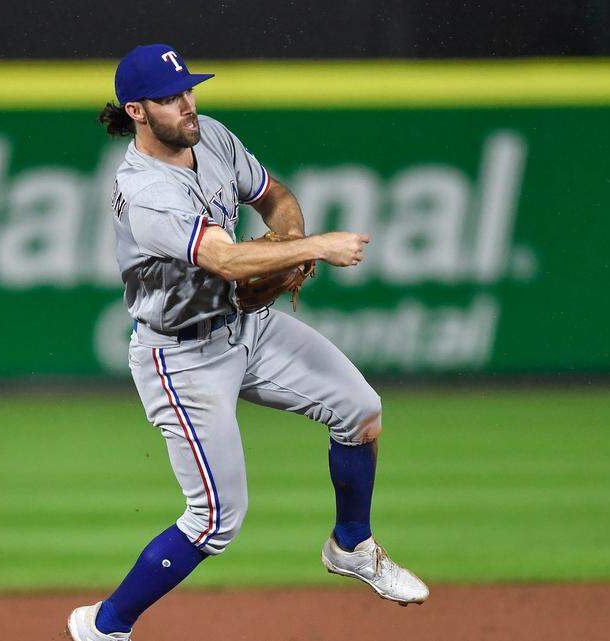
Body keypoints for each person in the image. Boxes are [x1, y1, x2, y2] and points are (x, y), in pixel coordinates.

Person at [66, 44, 428, 641]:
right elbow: (227, 259)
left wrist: (288, 239)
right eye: (169, 97)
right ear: (135, 111)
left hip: (244, 327)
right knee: (214, 520)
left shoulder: (208, 136)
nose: (188, 105)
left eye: (189, 90)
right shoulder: (145, 190)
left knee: (360, 411)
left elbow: (275, 196)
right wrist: (314, 248)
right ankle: (104, 626)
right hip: (179, 357)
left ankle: (351, 545)